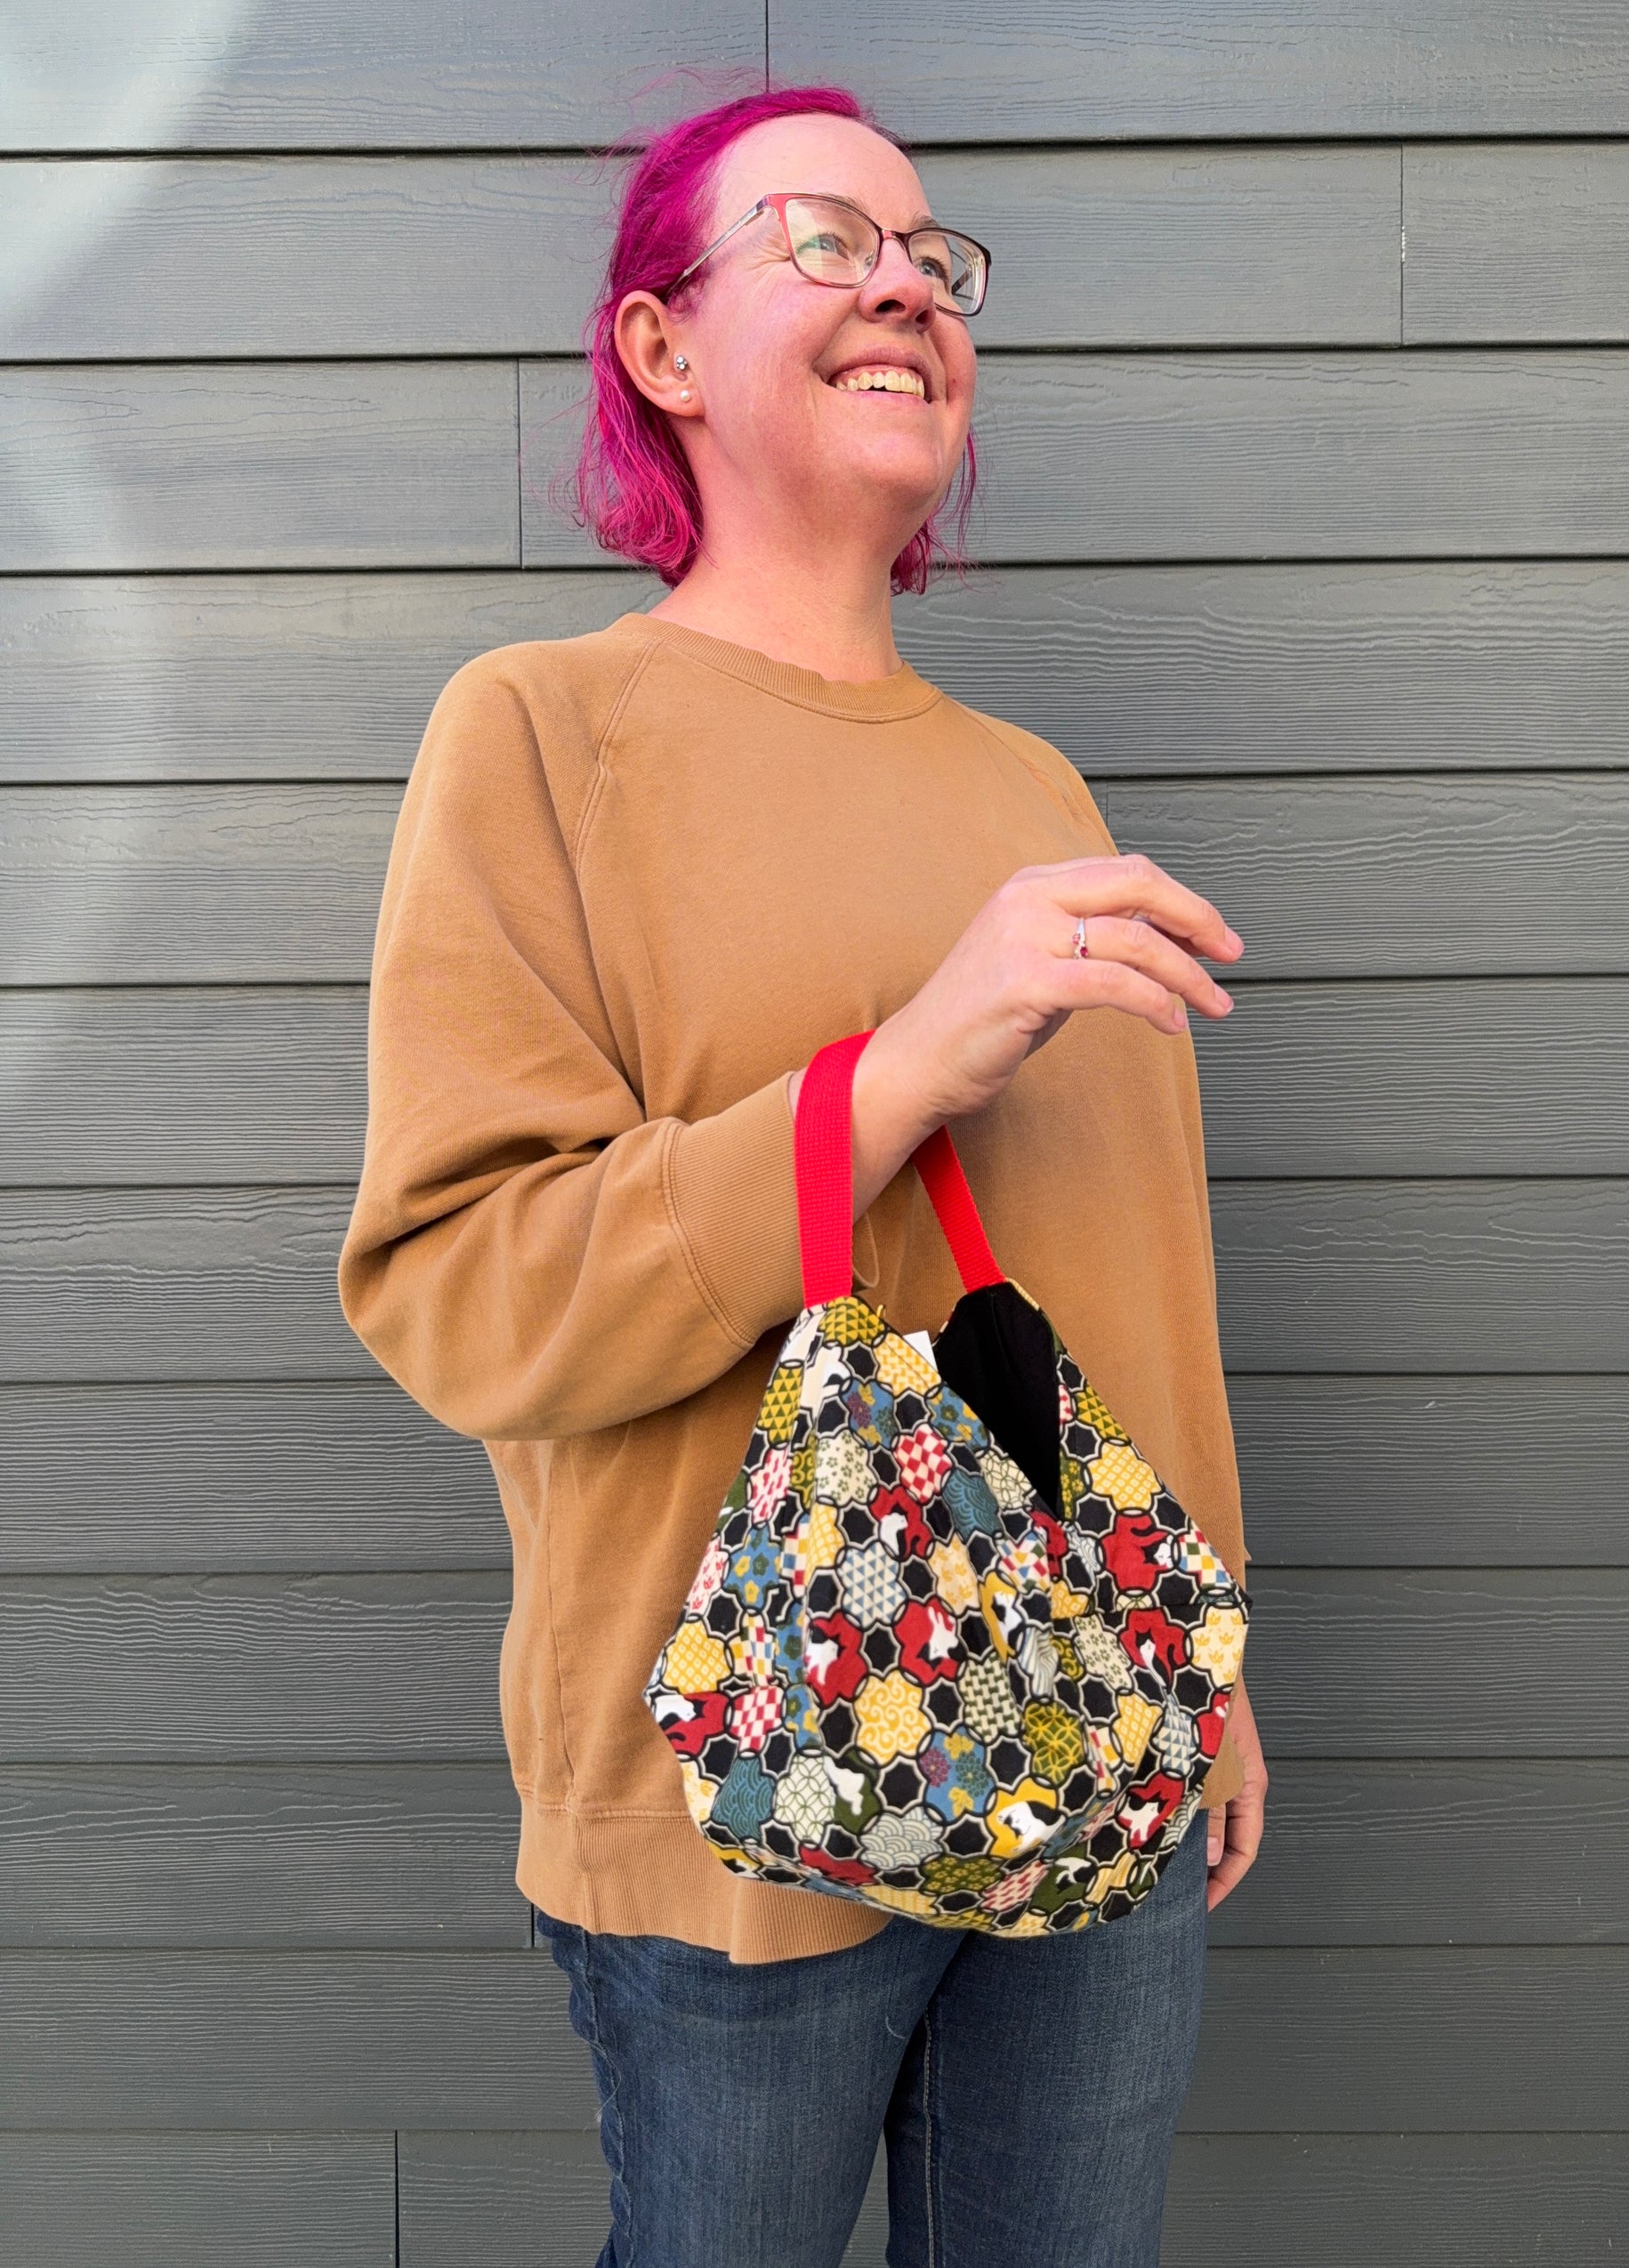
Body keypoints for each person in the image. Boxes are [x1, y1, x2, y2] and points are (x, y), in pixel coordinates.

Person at [338, 82, 1267, 2268]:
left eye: (935, 265)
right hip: (751, 1794)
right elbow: (465, 1288)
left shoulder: (1030, 786)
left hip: (1098, 1749)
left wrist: (1209, 1662)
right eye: (828, 243)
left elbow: (1129, 1290)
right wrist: (902, 1068)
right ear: (662, 348)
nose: (910, 296)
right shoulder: (543, 734)